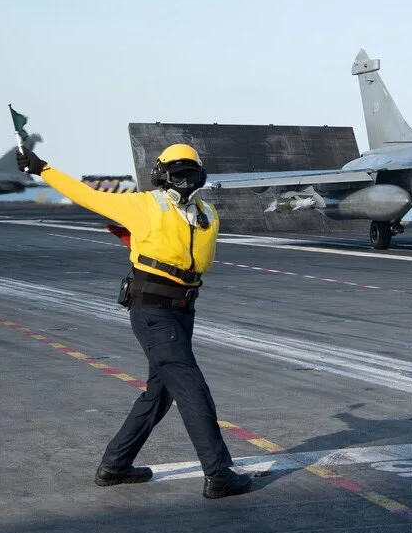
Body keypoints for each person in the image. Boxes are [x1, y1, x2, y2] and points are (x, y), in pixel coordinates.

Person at [17, 143, 252, 500]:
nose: (185, 180)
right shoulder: (141, 204)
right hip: (153, 311)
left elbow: (188, 254)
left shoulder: (207, 213)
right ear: (162, 175)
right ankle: (218, 472)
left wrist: (142, 240)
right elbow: (85, 194)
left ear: (200, 176)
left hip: (183, 311)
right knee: (191, 387)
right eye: (178, 172)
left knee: (160, 393)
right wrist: (43, 169)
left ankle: (115, 465)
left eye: (191, 172)